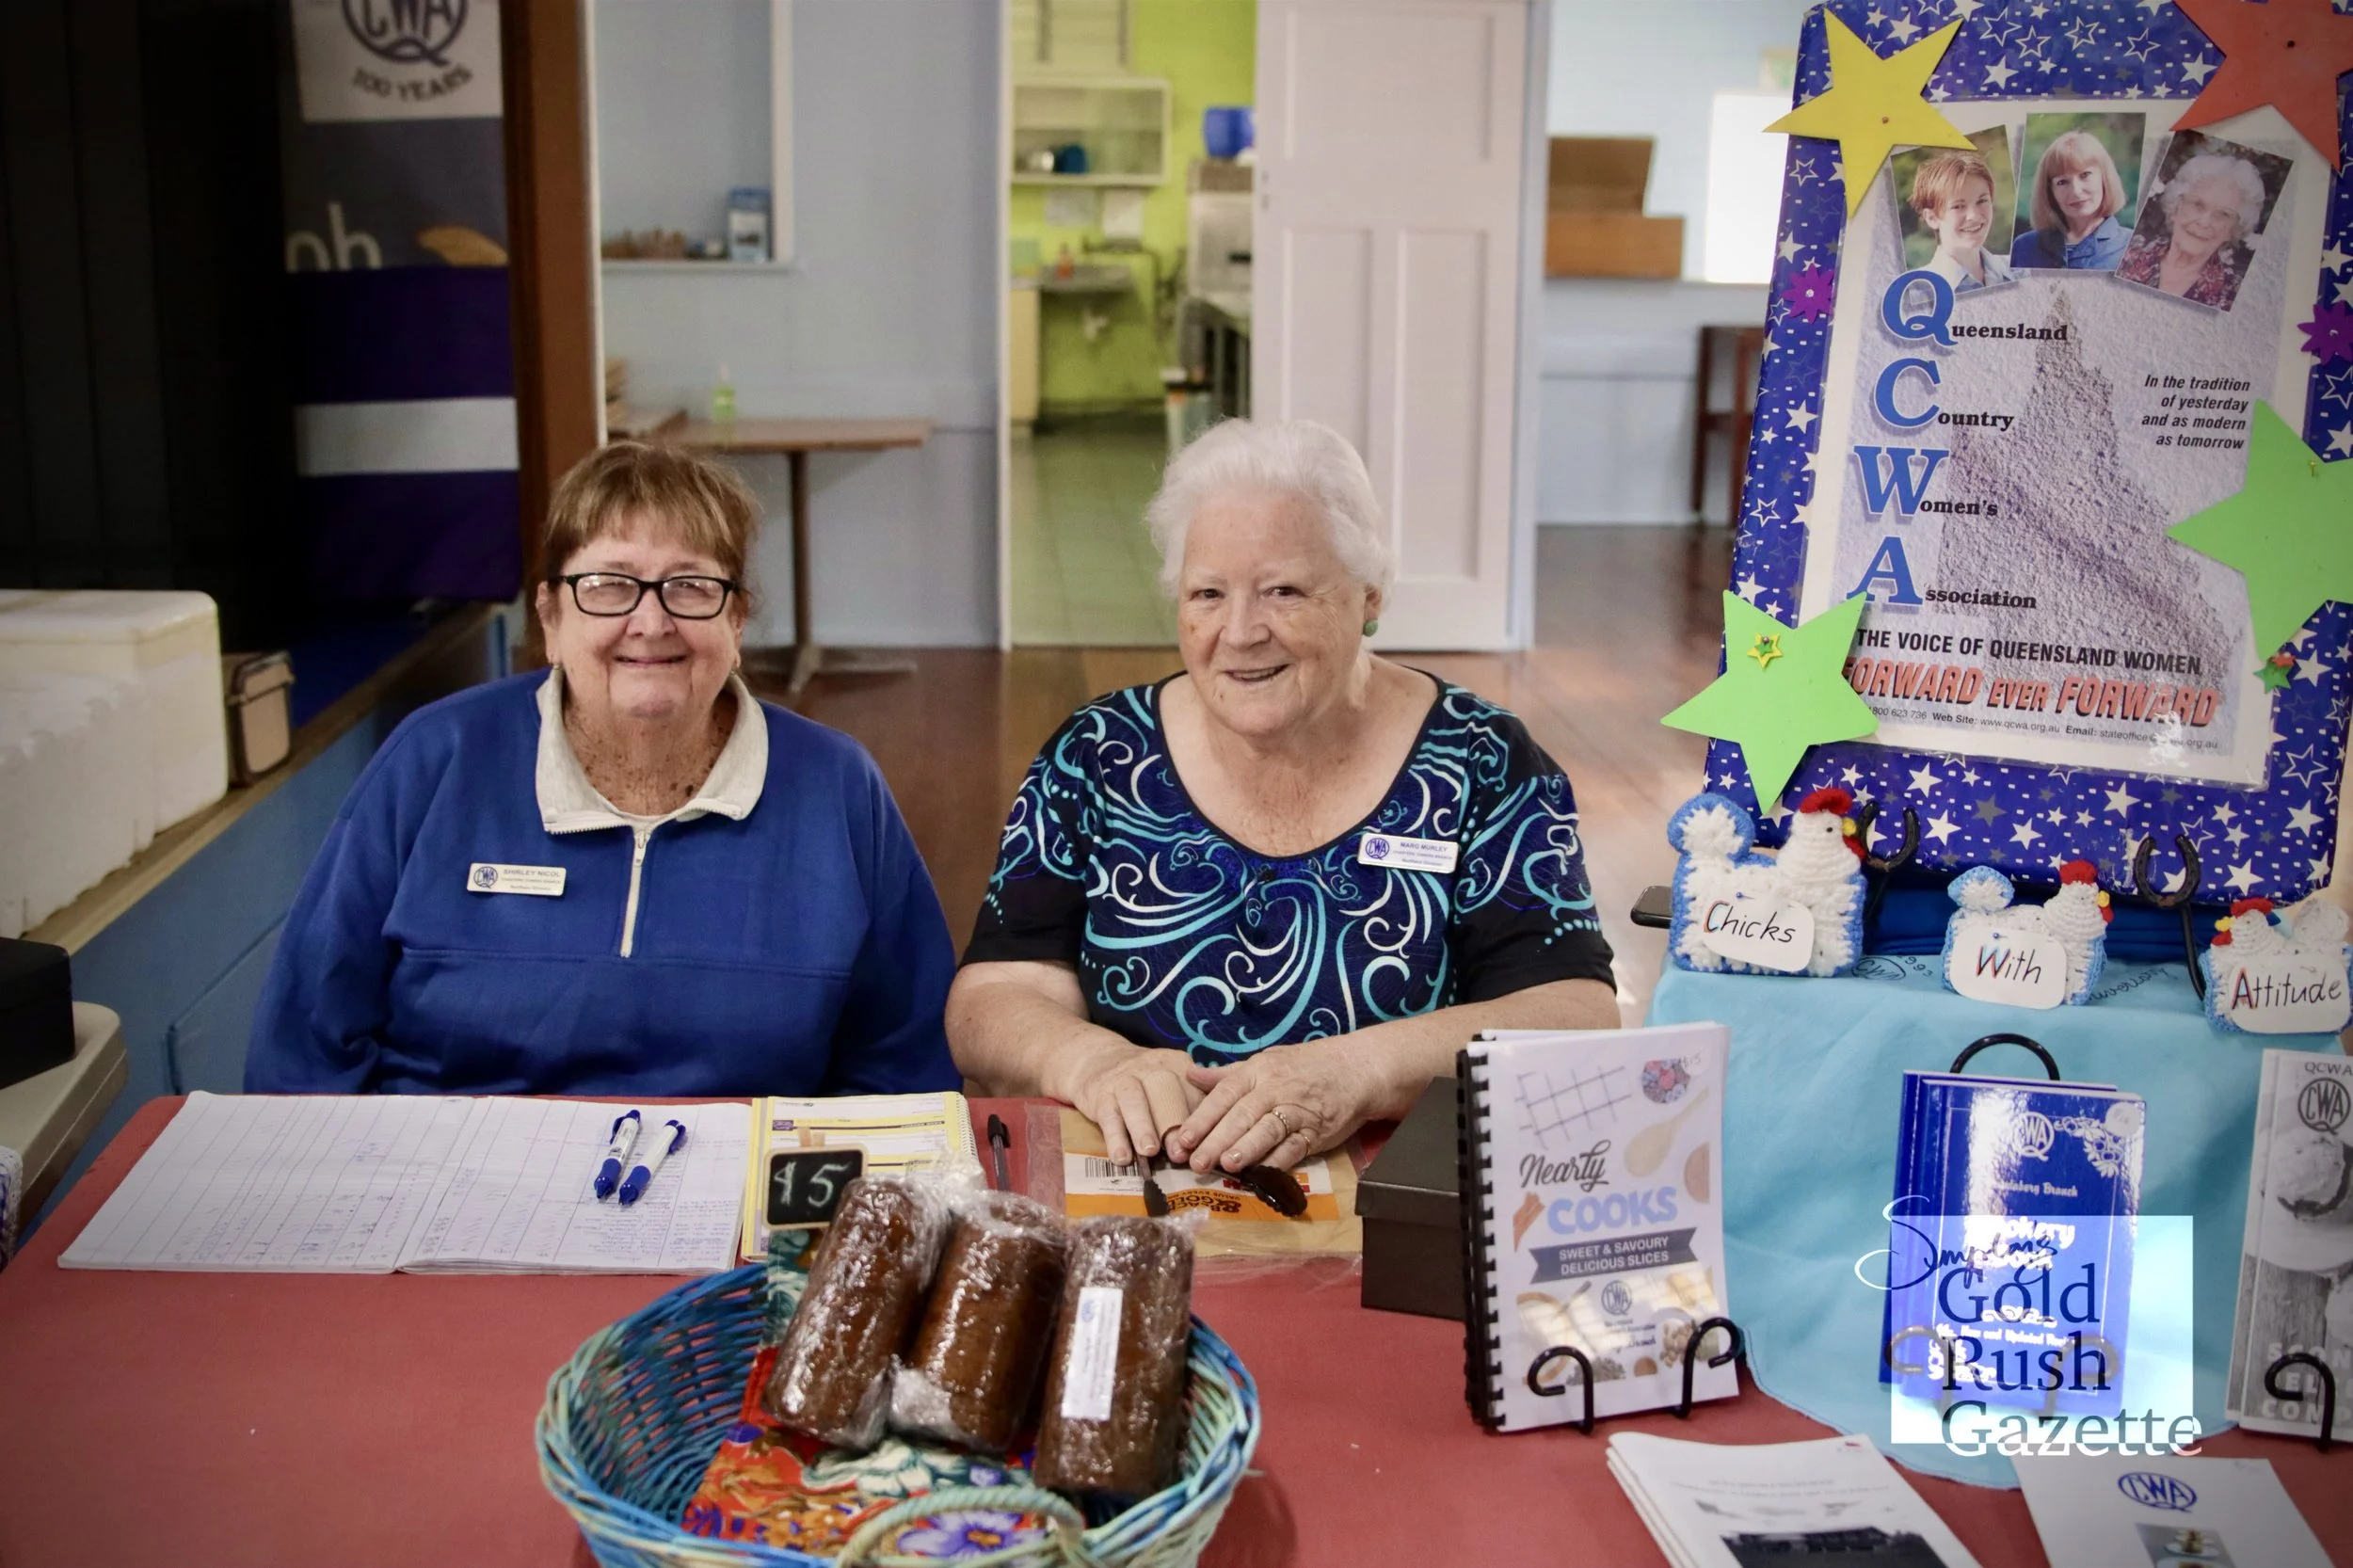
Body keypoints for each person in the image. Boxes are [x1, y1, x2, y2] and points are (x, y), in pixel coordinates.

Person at [947, 420, 1620, 1175]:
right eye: (1207, 593)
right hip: (1139, 1195)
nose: (1239, 632)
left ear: (1371, 596)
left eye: (1284, 591)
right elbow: (993, 997)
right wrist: (1089, 1060)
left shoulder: (1482, 761)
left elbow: (1574, 1013)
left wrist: (1360, 1072)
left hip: (1394, 1207)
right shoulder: (1100, 753)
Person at [246, 441, 959, 1096]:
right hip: (447, 1203)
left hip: (739, 1214)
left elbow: (905, 1069)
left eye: (689, 586)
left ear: (737, 622)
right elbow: (304, 1057)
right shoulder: (434, 759)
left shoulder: (836, 787)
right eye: (610, 585)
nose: (651, 623)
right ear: (551, 618)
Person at [2117, 152, 2266, 309]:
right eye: (2197, 205)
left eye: (2223, 214)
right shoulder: (2128, 255)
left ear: (2233, 230)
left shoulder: (2232, 294)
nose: (2204, 222)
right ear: (2176, 208)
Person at [2009, 128, 2131, 271]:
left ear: (2104, 178)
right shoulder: (2025, 247)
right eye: (2062, 182)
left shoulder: (2131, 246)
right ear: (2050, 191)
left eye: (2085, 175)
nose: (2076, 191)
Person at [1910, 150, 2013, 294]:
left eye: (1982, 201)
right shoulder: (1917, 292)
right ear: (1932, 218)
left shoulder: (2021, 270)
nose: (1974, 216)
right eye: (1958, 206)